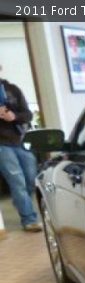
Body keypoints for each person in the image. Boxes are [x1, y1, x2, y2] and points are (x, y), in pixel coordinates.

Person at [0, 66, 41, 232]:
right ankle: (29, 219)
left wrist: (14, 116)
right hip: (2, 145)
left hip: (22, 140)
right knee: (17, 182)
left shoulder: (13, 89)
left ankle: (20, 202)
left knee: (31, 179)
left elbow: (28, 115)